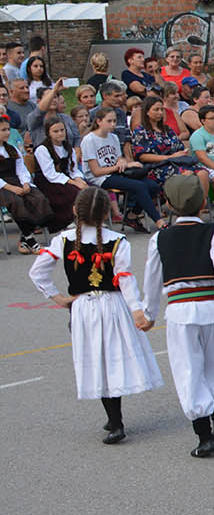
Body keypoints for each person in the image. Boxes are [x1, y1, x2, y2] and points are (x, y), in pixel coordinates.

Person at [30, 186, 164, 444]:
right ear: (106, 214)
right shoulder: (118, 241)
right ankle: (114, 417)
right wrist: (137, 310)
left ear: (74, 211)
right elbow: (124, 278)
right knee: (111, 358)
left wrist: (59, 298)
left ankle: (115, 421)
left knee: (97, 359)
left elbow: (37, 273)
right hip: (113, 306)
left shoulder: (63, 239)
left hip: (83, 309)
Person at [139, 175, 214, 457]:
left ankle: (205, 436)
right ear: (203, 203)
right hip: (212, 308)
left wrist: (149, 313)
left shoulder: (159, 238)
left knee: (188, 369)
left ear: (167, 205)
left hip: (179, 313)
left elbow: (151, 280)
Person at [82, 107, 165, 233]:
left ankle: (132, 215)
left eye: (114, 121)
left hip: (116, 172)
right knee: (139, 186)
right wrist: (118, 166)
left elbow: (118, 158)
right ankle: (159, 222)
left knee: (153, 186)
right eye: (109, 121)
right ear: (99, 121)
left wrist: (124, 162)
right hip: (101, 177)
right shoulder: (89, 140)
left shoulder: (113, 137)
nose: (113, 124)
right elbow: (95, 171)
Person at [0, 116, 61, 252]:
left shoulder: (12, 149)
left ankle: (24, 239)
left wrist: (26, 183)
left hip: (17, 181)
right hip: (3, 186)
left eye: (8, 129)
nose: (7, 132)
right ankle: (30, 239)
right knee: (17, 202)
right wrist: (12, 188)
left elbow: (21, 169)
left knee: (38, 198)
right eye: (3, 130)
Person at [34, 116, 89, 231]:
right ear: (48, 133)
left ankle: (88, 219)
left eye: (62, 130)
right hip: (48, 182)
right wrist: (73, 183)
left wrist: (79, 179)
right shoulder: (42, 149)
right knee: (74, 192)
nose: (60, 133)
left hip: (65, 177)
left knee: (89, 189)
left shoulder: (68, 147)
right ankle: (69, 220)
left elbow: (72, 169)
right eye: (55, 131)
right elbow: (50, 174)